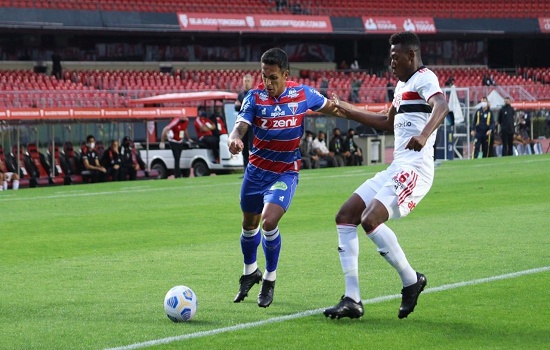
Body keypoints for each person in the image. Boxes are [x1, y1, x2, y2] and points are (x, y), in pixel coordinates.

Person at [323, 31, 450, 320]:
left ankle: (411, 280)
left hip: (416, 170)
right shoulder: (401, 86)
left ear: (411, 55)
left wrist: (424, 133)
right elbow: (385, 122)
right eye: (389, 56)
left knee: (370, 219)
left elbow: (441, 106)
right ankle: (352, 298)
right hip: (397, 169)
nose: (390, 62)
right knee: (345, 216)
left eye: (395, 56)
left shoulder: (424, 78)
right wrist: (345, 110)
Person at [227, 47, 343, 308]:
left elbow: (332, 109)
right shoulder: (254, 97)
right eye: (264, 76)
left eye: (273, 77)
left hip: (285, 172)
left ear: (285, 75)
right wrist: (234, 139)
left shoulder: (303, 94)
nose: (267, 83)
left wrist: (371, 115)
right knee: (248, 225)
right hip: (256, 172)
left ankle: (269, 278)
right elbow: (240, 126)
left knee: (268, 222)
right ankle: (250, 272)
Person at [235, 74, 255, 169]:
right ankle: (245, 170)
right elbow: (236, 107)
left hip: (252, 125)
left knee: (252, 147)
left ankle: (254, 169)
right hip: (242, 124)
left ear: (252, 82)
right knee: (243, 147)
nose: (246, 83)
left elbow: (253, 107)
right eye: (245, 81)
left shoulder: (254, 94)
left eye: (248, 81)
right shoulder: (240, 95)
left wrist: (242, 105)